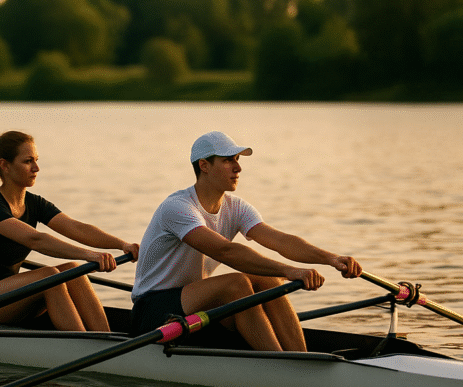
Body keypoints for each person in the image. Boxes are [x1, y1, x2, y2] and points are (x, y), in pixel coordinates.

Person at [130, 131, 362, 351]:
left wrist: (331, 258)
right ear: (204, 166)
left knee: (267, 279)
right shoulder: (178, 207)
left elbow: (279, 240)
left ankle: (301, 358)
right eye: (228, 160)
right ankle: (280, 365)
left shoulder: (236, 207)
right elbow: (226, 251)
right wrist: (290, 271)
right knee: (236, 284)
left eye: (238, 160)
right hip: (152, 312)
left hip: (192, 303)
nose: (238, 167)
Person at [0, 131, 139, 332]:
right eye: (28, 161)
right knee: (49, 275)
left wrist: (122, 244)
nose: (36, 168)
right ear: (5, 165)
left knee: (72, 271)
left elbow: (76, 227)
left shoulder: (34, 203)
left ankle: (105, 338)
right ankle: (83, 345)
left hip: (9, 294)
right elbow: (36, 239)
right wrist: (89, 255)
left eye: (36, 160)